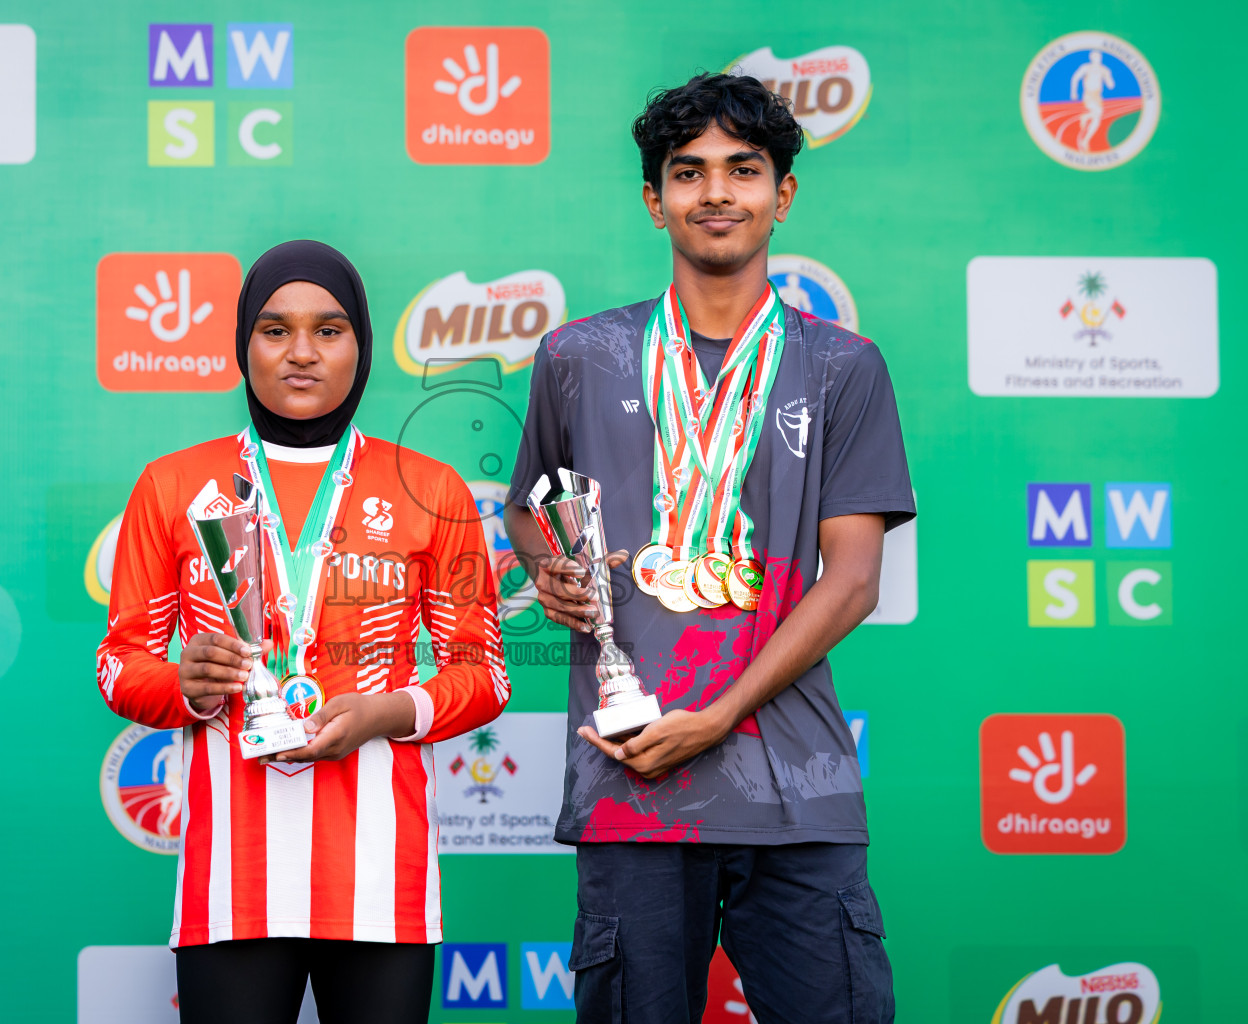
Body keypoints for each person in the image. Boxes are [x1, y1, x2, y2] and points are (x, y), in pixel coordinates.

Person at [504, 73, 913, 1024]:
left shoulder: (844, 366)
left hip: (793, 785)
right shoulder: (578, 357)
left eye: (744, 170)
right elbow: (531, 509)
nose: (716, 193)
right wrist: (545, 568)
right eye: (688, 174)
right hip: (631, 772)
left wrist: (720, 713)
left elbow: (851, 581)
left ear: (784, 194)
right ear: (655, 201)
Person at [97, 240, 510, 1024]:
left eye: (328, 330)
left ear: (360, 343)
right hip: (232, 885)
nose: (300, 353)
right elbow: (120, 667)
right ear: (242, 343)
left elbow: (484, 674)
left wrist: (385, 714)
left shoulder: (430, 487)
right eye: (274, 329)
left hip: (380, 883)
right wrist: (185, 684)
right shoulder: (174, 485)